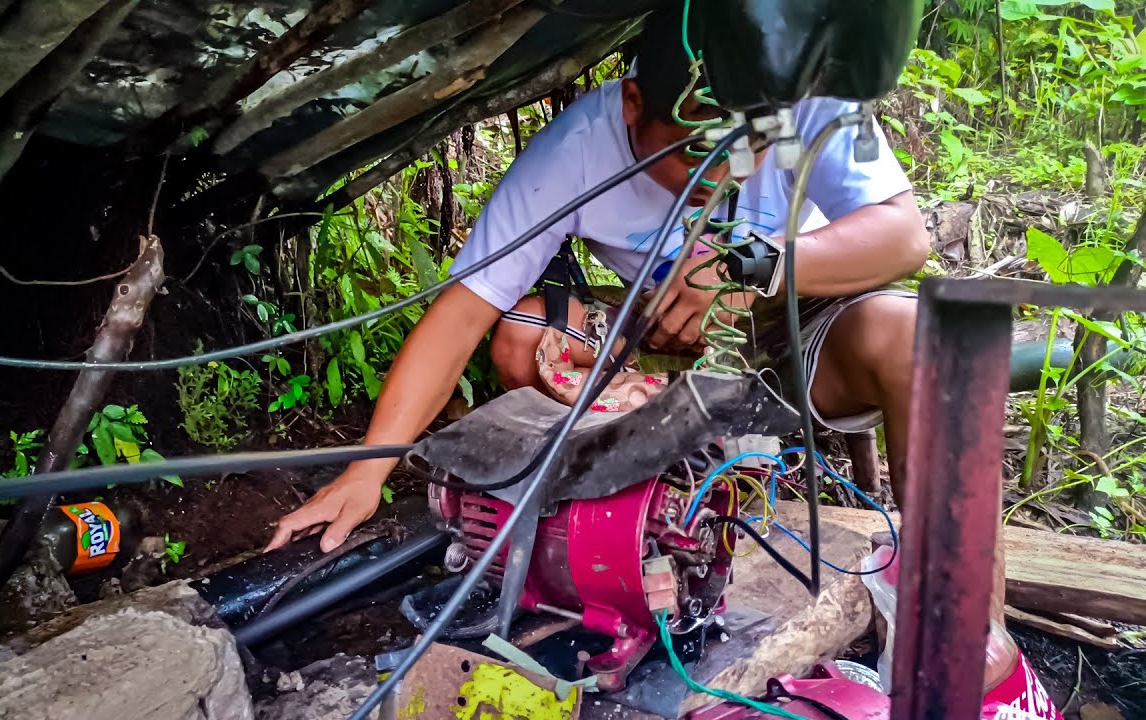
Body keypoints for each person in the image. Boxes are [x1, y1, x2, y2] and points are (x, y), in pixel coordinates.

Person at [265, 7, 929, 555]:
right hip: (662, 337)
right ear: (635, 103)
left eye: (749, 150)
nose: (728, 174)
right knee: (525, 331)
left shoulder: (804, 99)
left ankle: (961, 631)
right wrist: (368, 471)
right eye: (699, 151)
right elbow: (465, 313)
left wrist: (745, 265)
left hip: (794, 330)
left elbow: (905, 237)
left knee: (911, 341)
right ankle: (646, 501)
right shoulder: (575, 151)